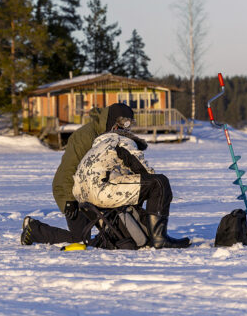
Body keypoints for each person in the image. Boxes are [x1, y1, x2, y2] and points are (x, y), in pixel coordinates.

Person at [21, 103, 190, 249]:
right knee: (80, 239)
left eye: (129, 123)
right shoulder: (86, 136)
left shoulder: (111, 136)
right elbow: (68, 168)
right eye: (123, 121)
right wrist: (69, 200)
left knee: (111, 231)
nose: (126, 126)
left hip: (96, 185)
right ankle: (34, 230)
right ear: (113, 120)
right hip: (69, 188)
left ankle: (141, 233)